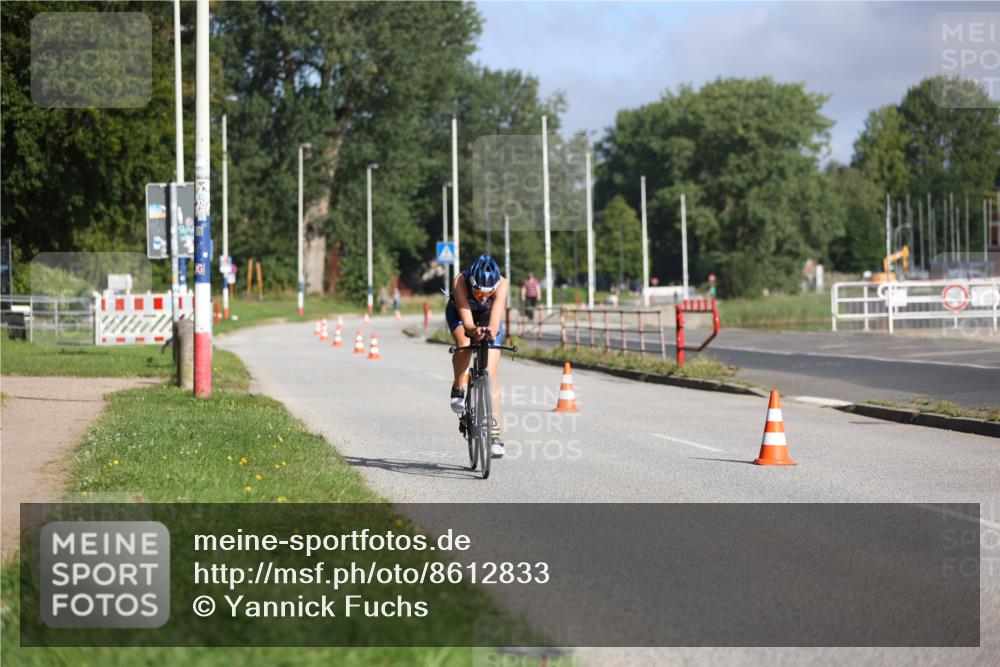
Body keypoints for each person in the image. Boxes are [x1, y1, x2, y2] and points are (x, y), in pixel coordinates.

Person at [446, 253, 509, 458]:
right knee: (464, 344)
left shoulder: (502, 285)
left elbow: (496, 317)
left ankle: (494, 433)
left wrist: (490, 330)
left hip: (487, 315)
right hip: (461, 312)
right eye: (478, 292)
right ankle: (458, 386)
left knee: (490, 373)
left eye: (486, 294)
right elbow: (468, 324)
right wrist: (473, 331)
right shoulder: (460, 281)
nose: (482, 297)